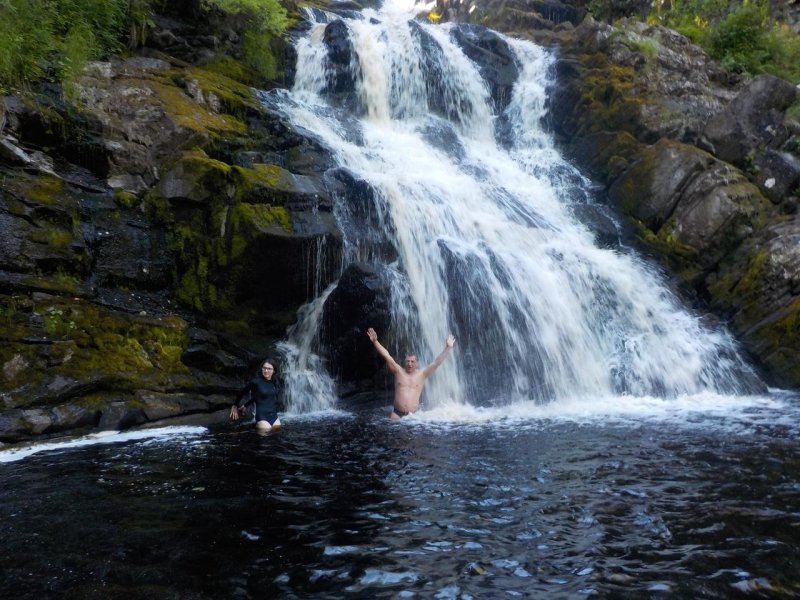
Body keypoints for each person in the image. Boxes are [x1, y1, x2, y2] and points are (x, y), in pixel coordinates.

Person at [366, 327, 455, 419]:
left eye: (412, 361)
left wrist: (448, 348)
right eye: (408, 361)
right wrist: (375, 342)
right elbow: (386, 355)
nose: (410, 364)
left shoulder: (422, 374)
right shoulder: (398, 371)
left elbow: (437, 362)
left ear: (417, 363)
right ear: (404, 361)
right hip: (396, 414)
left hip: (414, 417)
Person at [230, 359, 283, 431]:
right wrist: (235, 405)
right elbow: (242, 392)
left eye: (269, 369)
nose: (266, 371)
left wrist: (246, 405)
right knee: (267, 436)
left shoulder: (275, 383)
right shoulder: (256, 382)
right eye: (264, 368)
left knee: (277, 435)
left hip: (274, 416)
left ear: (274, 371)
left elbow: (259, 397)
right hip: (262, 417)